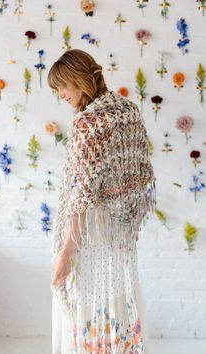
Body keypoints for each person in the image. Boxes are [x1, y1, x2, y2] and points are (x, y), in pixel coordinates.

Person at [47, 48, 156, 353]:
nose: (61, 95)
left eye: (62, 87)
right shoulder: (128, 111)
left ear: (78, 79)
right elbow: (138, 177)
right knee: (119, 298)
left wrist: (66, 254)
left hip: (91, 233)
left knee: (89, 301)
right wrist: (130, 220)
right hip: (118, 230)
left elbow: (83, 197)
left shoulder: (87, 122)